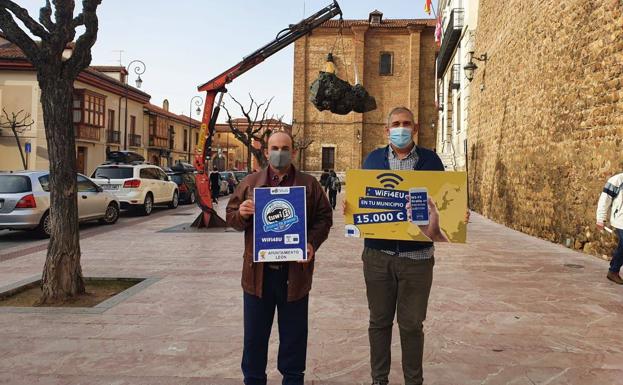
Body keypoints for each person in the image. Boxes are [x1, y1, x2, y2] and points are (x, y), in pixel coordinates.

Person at [226, 131, 333, 385]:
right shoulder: (250, 183)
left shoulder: (308, 185)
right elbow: (231, 217)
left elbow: (324, 218)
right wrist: (241, 213)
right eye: (274, 147)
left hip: (295, 276)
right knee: (254, 338)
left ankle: (293, 379)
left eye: (285, 148)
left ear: (293, 152)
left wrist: (311, 243)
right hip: (257, 277)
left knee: (294, 339)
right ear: (266, 151)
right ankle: (253, 380)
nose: (280, 152)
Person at [352, 106, 447, 385]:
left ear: (415, 129)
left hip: (417, 258)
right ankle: (378, 380)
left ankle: (413, 381)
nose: (401, 128)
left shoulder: (431, 161)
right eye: (396, 123)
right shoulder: (371, 160)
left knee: (412, 326)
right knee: (379, 323)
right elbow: (362, 201)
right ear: (386, 130)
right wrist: (351, 207)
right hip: (378, 256)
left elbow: (445, 203)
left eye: (406, 123)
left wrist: (457, 217)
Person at [596, 172, 623, 284]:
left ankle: (613, 270)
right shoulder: (617, 180)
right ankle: (613, 271)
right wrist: (600, 218)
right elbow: (604, 199)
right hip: (620, 220)